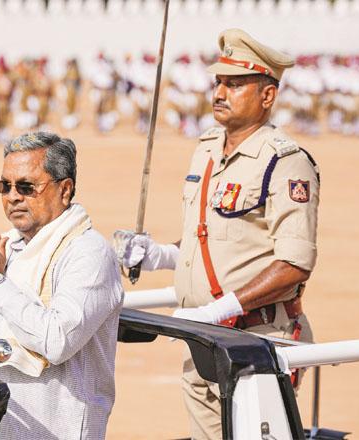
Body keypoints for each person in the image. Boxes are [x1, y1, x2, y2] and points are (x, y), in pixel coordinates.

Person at [114, 29, 320, 439]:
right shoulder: (208, 149)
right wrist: (160, 254)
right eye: (219, 82)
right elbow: (210, 240)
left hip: (258, 339)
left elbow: (294, 264)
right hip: (204, 339)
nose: (220, 92)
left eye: (236, 84)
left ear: (267, 96)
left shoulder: (284, 162)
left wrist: (219, 308)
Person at [0, 131, 123, 439]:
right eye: (4, 186)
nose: (12, 196)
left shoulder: (87, 253)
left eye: (26, 187)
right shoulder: (8, 246)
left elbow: (57, 339)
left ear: (65, 190)